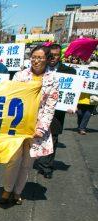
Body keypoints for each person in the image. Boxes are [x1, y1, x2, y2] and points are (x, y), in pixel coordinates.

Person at [1, 45, 58, 205]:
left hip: (37, 128)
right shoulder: (20, 75)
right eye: (33, 57)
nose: (36, 61)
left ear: (47, 59)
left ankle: (18, 192)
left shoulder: (52, 79)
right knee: (14, 159)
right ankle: (7, 190)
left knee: (27, 162)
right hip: (17, 124)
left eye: (40, 58)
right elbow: (10, 97)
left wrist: (41, 129)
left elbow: (49, 106)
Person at [35, 44, 76, 178]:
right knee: (38, 135)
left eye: (56, 55)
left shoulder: (69, 72)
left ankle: (46, 167)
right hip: (39, 110)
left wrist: (72, 105)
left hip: (57, 113)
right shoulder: (39, 70)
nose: (53, 57)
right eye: (50, 55)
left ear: (60, 55)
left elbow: (73, 94)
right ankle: (38, 159)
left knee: (53, 138)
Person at [76, 61, 98, 135]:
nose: (93, 69)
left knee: (87, 115)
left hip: (92, 100)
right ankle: (80, 126)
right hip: (81, 99)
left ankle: (82, 128)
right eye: (92, 67)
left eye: (95, 68)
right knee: (79, 114)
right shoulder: (82, 75)